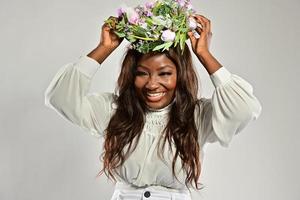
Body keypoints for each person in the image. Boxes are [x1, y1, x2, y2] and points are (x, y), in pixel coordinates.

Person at [44, 2, 262, 199]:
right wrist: (104, 48)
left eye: (165, 73)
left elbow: (244, 109)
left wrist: (204, 54)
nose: (152, 84)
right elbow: (60, 97)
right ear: (132, 76)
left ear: (180, 75)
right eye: (142, 73)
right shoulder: (113, 110)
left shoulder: (196, 116)